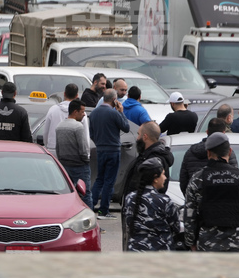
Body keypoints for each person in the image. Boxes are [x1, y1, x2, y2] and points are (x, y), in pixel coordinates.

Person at [184, 132, 239, 253]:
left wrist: (191, 242)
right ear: (230, 152)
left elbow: (190, 215)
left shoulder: (197, 179)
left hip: (208, 245)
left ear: (208, 153)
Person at [123, 158, 182, 252]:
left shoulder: (129, 198)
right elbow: (176, 227)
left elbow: (128, 221)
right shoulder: (164, 200)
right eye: (163, 174)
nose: (165, 178)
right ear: (155, 178)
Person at [90, 89, 131, 218]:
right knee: (109, 180)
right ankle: (104, 210)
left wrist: (99, 143)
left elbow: (91, 133)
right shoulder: (114, 113)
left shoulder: (94, 113)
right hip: (113, 149)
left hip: (100, 148)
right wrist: (121, 112)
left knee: (99, 179)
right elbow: (126, 127)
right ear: (114, 100)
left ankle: (91, 206)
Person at [179, 119, 239, 195]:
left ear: (207, 132)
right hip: (225, 200)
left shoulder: (191, 152)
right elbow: (235, 179)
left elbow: (184, 182)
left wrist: (194, 198)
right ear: (224, 133)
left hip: (199, 201)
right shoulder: (227, 152)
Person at [55, 100, 91, 209]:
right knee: (86, 194)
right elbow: (83, 149)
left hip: (64, 165)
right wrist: (86, 160)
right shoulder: (78, 127)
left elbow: (58, 148)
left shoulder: (59, 126)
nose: (84, 114)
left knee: (68, 194)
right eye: (82, 112)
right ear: (75, 112)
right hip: (80, 165)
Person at [122, 121, 175, 197]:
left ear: (145, 137)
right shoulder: (146, 155)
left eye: (139, 134)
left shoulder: (154, 160)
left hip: (143, 205)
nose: (137, 138)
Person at [40, 84, 87, 153]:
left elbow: (46, 132)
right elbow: (85, 135)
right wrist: (87, 153)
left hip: (53, 149)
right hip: (72, 152)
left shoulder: (53, 110)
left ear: (64, 94)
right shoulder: (81, 113)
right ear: (77, 96)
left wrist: (47, 145)